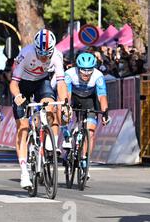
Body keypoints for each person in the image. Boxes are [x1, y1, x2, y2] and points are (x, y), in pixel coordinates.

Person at [10, 29, 69, 189]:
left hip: (41, 82)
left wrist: (64, 103)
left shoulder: (57, 55)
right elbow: (14, 83)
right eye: (40, 54)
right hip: (22, 84)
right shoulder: (26, 53)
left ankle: (47, 142)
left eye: (46, 54)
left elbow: (61, 82)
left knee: (50, 106)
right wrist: (17, 96)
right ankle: (24, 172)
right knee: (22, 127)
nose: (44, 58)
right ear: (35, 48)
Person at [63, 52, 110, 178]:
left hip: (89, 99)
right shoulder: (69, 74)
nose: (86, 74)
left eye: (89, 71)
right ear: (77, 68)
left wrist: (105, 112)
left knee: (90, 131)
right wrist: (66, 108)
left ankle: (85, 159)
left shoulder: (98, 76)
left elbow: (102, 96)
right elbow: (67, 94)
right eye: (83, 70)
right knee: (65, 113)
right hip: (74, 97)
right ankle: (66, 135)